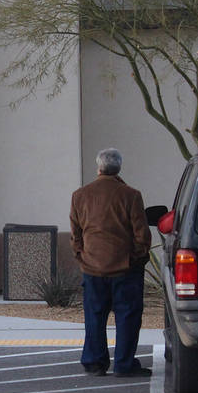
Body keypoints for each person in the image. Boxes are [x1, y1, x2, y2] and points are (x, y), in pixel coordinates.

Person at [69, 147, 152, 378]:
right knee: (127, 317)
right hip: (125, 267)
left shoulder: (80, 195)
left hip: (92, 267)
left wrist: (81, 255)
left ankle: (95, 362)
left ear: (99, 167)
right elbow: (142, 234)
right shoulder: (131, 195)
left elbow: (76, 233)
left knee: (94, 316)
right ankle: (124, 364)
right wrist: (136, 258)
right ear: (119, 168)